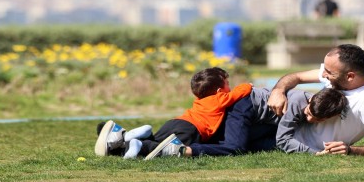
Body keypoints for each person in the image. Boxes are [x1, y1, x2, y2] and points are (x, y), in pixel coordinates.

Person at [146, 87, 349, 159]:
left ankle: (143, 144)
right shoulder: (298, 102)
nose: (310, 118)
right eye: (309, 112)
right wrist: (315, 154)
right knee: (235, 148)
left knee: (262, 146)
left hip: (259, 120)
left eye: (317, 119)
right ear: (311, 100)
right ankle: (185, 150)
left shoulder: (324, 108)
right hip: (246, 107)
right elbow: (284, 140)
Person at [95, 67, 251, 159]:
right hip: (192, 129)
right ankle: (141, 145)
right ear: (218, 90)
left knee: (158, 139)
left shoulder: (200, 99)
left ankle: (123, 136)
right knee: (161, 148)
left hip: (176, 122)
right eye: (228, 84)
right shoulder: (219, 98)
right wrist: (248, 85)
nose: (229, 88)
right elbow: (238, 92)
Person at [267, 44, 364, 156]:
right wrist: (278, 90)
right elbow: (296, 77)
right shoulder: (341, 75)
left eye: (329, 72)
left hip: (294, 143)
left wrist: (349, 150)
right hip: (280, 124)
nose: (323, 75)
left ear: (350, 76)